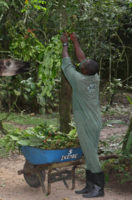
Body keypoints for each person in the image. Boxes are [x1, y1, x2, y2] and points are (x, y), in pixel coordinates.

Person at [60, 32, 104, 198]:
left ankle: (99, 188)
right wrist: (75, 40)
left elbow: (66, 63)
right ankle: (90, 185)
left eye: (83, 65)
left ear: (84, 71)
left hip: (86, 123)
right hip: (95, 121)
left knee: (91, 155)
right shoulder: (95, 78)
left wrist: (65, 45)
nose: (82, 63)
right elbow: (82, 59)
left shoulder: (79, 81)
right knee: (88, 152)